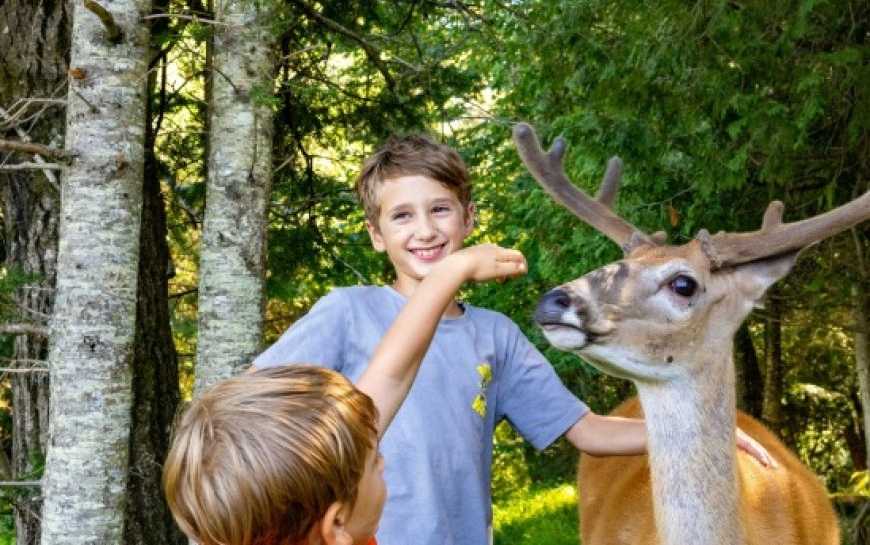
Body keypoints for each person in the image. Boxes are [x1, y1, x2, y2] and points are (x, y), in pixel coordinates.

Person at [252, 133, 774, 545]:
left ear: (468, 218)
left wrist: (700, 433)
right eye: (402, 216)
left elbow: (585, 430)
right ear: (375, 233)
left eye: (440, 209)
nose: (425, 230)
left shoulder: (494, 336)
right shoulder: (347, 312)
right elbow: (255, 410)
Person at [164, 243, 528, 545]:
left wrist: (449, 272)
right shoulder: (343, 525)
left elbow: (391, 373)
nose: (383, 461)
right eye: (374, 464)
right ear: (336, 524)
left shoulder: (325, 515)